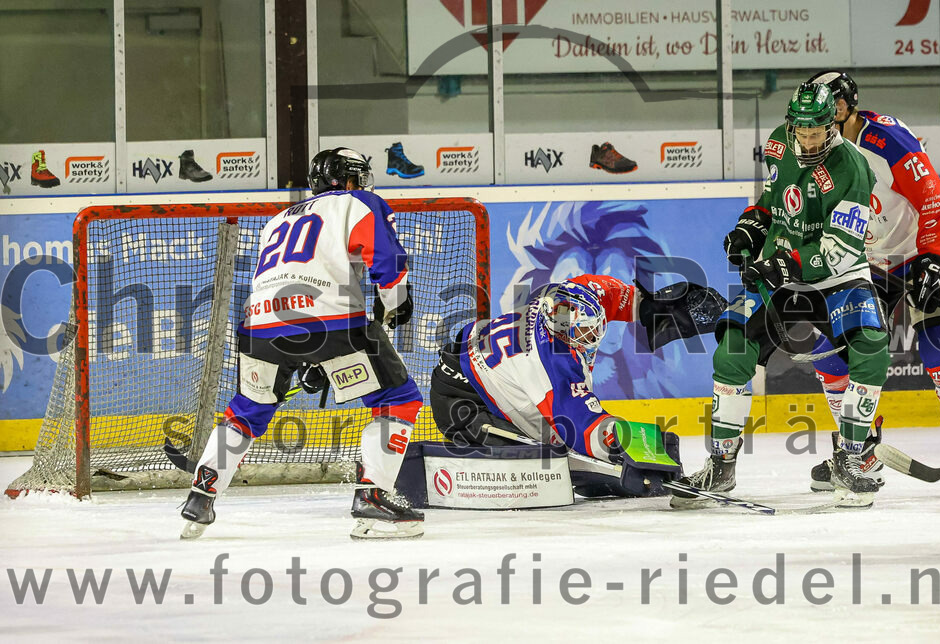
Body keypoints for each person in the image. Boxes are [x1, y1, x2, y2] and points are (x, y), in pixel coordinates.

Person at [179, 147, 425, 540]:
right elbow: (387, 262)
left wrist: (312, 360)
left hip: (259, 322)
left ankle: (200, 496)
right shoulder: (358, 201)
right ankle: (373, 497)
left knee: (248, 409)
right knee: (398, 401)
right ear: (347, 178)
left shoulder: (276, 220)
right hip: (328, 320)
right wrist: (396, 302)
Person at [673, 82, 889, 507]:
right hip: (780, 272)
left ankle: (849, 459)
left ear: (833, 125)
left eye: (818, 131)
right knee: (732, 350)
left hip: (837, 276)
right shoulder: (777, 144)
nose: (809, 141)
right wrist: (748, 229)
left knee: (873, 349)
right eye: (802, 131)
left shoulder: (854, 169)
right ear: (791, 125)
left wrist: (783, 264)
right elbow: (772, 204)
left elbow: (839, 248)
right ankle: (721, 467)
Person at [804, 70, 940, 493]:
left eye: (826, 109)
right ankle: (857, 452)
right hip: (868, 262)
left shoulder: (888, 140)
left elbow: (935, 205)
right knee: (831, 353)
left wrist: (930, 260)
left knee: (938, 344)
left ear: (843, 106)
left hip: (919, 252)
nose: (816, 124)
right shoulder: (817, 151)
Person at [430, 273, 725, 496]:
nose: (591, 338)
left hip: (482, 367)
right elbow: (579, 424)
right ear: (559, 331)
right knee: (557, 458)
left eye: (594, 329)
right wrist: (619, 440)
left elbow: (608, 293)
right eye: (582, 333)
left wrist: (648, 305)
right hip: (463, 402)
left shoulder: (577, 296)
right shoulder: (552, 363)